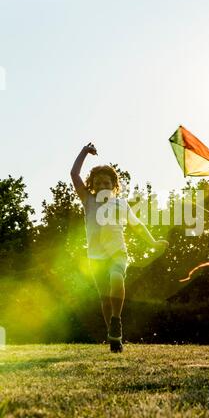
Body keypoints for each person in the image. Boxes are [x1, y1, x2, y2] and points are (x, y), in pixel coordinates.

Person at [71, 142, 169, 352]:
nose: (103, 186)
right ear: (93, 185)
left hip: (118, 252)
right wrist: (84, 152)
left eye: (107, 183)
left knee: (117, 278)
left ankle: (117, 319)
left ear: (114, 185)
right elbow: (74, 174)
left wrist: (152, 242)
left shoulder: (121, 204)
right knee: (105, 299)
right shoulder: (88, 200)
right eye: (98, 183)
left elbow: (138, 226)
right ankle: (113, 335)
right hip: (95, 256)